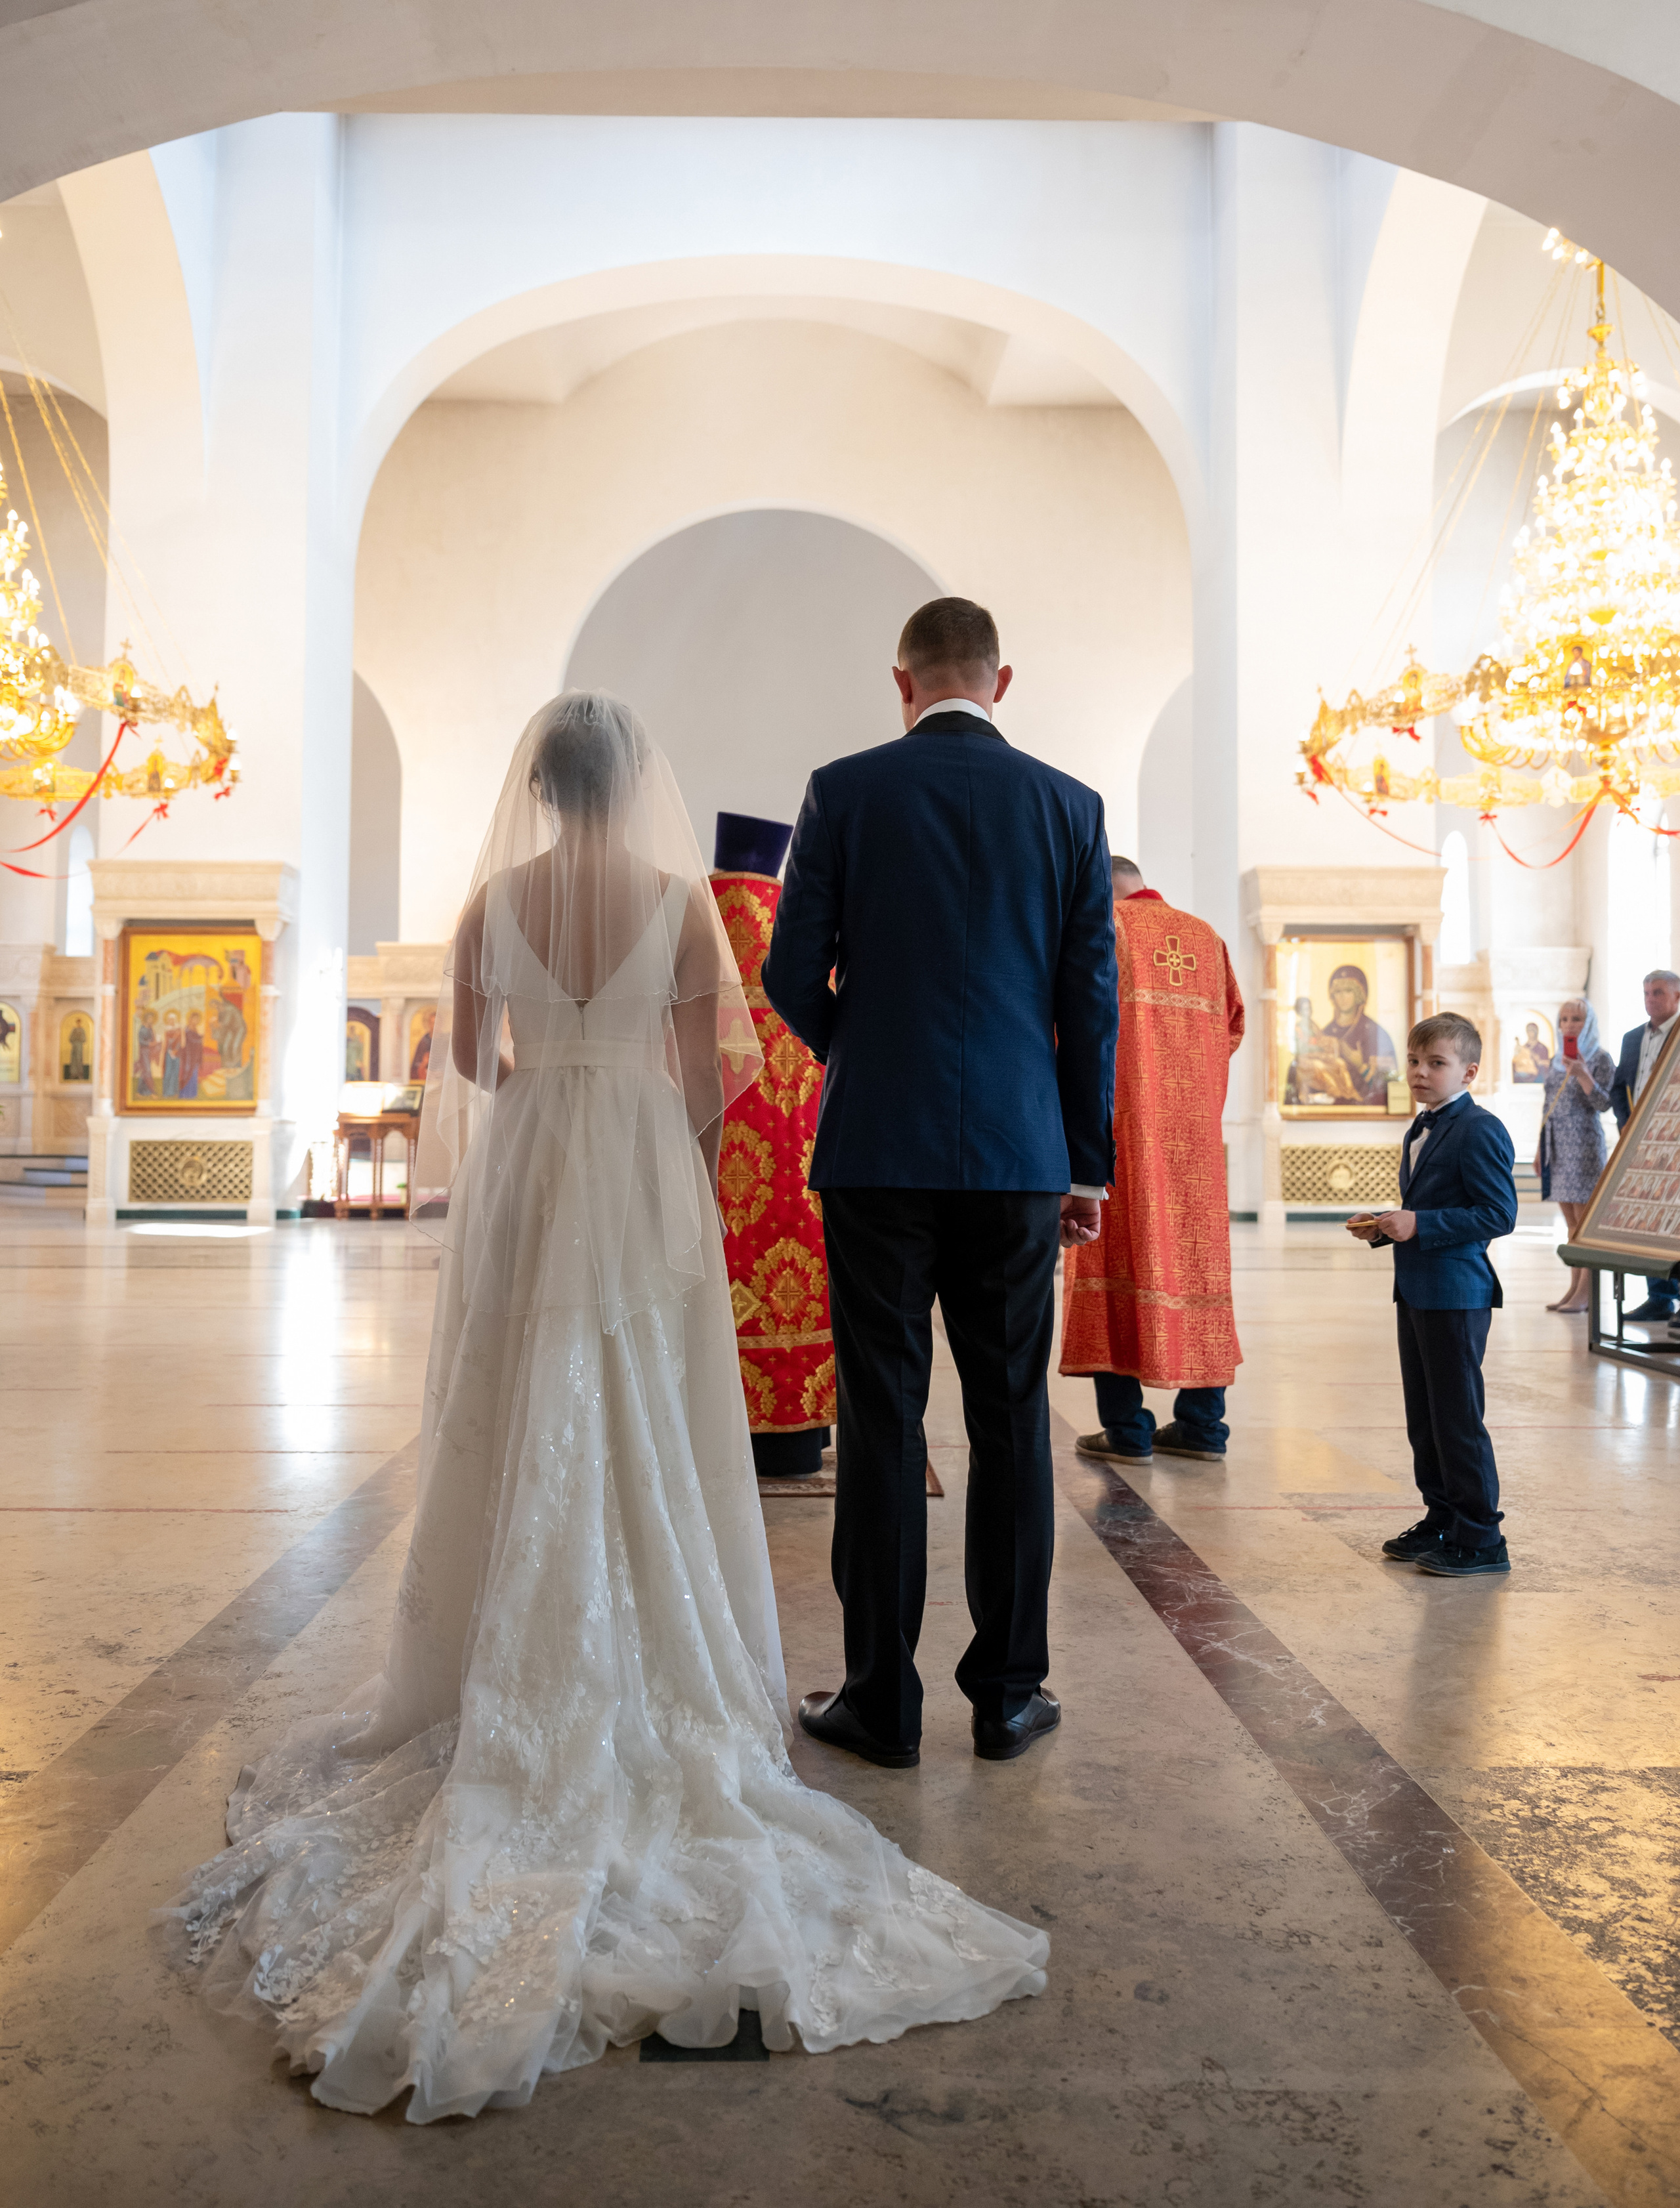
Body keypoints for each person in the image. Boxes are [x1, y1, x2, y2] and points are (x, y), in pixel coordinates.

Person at [158, 692, 1048, 2121]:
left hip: (531, 1155)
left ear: (539, 787)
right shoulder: (676, 906)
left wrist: (540, 1082)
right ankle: (653, 1624)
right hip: (635, 1151)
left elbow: (461, 1058)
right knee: (637, 1384)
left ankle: (494, 1634)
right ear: (632, 785)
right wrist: (659, 1140)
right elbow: (711, 1074)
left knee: (514, 1392)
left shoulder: (489, 902)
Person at [763, 597, 1118, 1770]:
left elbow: (787, 969)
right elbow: (1089, 1004)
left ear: (902, 681)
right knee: (1012, 1419)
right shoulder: (1068, 806)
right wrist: (1082, 1160)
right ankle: (1010, 1695)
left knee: (878, 1416)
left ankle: (881, 1700)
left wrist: (860, 1051)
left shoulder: (844, 789)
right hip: (1020, 1157)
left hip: (876, 1150)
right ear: (1000, 680)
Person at [1063, 856, 1245, 1464]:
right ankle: (1202, 1428)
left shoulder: (1101, 927)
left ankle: (1127, 1430)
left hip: (1119, 1134)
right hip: (1193, 1140)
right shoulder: (1206, 936)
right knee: (1196, 1269)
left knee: (1113, 1266)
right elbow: (1234, 1027)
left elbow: (1070, 1027)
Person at [1346, 1013, 1518, 1577]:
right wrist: (1384, 1224)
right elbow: (1429, 1208)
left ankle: (1482, 1536)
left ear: (1468, 1072)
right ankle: (1441, 1517)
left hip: (1456, 1291)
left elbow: (1498, 1214)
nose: (1420, 1072)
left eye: (1436, 1064)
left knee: (1458, 1417)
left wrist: (1420, 1224)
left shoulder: (1480, 1128)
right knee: (1425, 1416)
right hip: (1417, 1288)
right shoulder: (1421, 1127)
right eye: (1415, 1062)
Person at [708, 809, 834, 1478]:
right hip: (803, 1148)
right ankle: (799, 1432)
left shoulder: (692, 913)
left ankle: (711, 1429)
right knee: (800, 1281)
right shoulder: (800, 917)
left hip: (718, 1146)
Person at [1534, 997, 1614, 1313]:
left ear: (1590, 1023)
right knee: (1570, 1223)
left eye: (1577, 1019)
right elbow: (1547, 1107)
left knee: (1585, 1223)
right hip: (1557, 1145)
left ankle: (1587, 1293)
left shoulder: (1601, 1058)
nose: (1569, 1025)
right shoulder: (1556, 1059)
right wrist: (1541, 1148)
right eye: (1564, 1019)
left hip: (1583, 1146)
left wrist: (1583, 1074)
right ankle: (1574, 1287)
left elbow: (1605, 1104)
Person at [1609, 969, 1680, 1322]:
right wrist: (1627, 1126)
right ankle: (1660, 1297)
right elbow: (1618, 1087)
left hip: (1675, 1145)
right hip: (1641, 1147)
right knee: (1650, 1220)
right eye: (1647, 993)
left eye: (1659, 993)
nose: (1651, 999)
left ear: (1677, 997)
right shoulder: (1632, 1037)